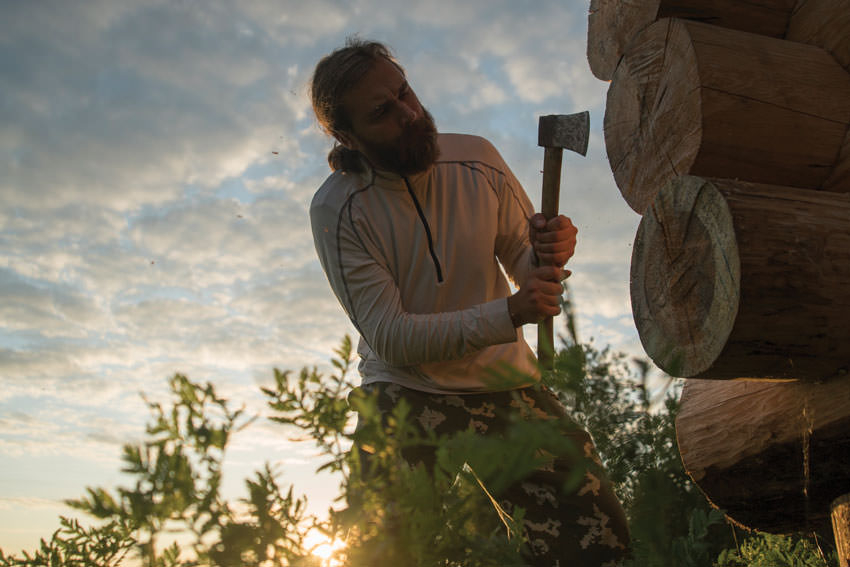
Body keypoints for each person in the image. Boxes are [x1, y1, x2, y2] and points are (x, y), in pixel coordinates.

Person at [309, 38, 629, 566]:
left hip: (506, 383)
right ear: (348, 136)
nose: (410, 114)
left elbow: (523, 258)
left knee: (597, 545)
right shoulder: (338, 210)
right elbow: (391, 334)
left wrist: (547, 253)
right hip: (405, 394)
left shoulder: (477, 159)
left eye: (405, 92)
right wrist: (508, 313)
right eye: (382, 112)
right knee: (385, 555)